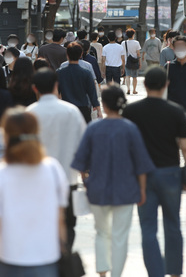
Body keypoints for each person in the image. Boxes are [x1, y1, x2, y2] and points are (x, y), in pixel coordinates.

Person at [71, 86, 155, 277]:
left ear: (104, 105)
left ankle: (102, 272)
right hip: (126, 189)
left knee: (101, 232)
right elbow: (141, 163)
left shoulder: (93, 128)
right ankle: (116, 274)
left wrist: (87, 181)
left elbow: (80, 161)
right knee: (120, 236)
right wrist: (142, 189)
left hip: (98, 189)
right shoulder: (130, 128)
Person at [122, 67, 186, 277]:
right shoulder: (175, 110)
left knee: (148, 228)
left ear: (144, 84)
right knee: (172, 224)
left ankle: (155, 273)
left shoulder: (131, 111)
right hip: (170, 173)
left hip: (142, 176)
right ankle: (174, 272)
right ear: (167, 84)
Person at [0, 109, 68, 277]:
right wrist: (63, 249)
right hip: (46, 259)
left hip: (8, 260)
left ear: (4, 136)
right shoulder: (53, 169)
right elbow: (60, 218)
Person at [27, 68, 87, 250]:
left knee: (41, 226)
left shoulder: (30, 114)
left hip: (37, 182)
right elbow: (83, 147)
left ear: (34, 88)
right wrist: (85, 176)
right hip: (67, 180)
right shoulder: (71, 111)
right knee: (68, 225)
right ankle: (64, 259)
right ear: (56, 85)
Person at [57, 42, 102, 123]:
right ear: (81, 54)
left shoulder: (60, 73)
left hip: (66, 108)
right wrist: (98, 108)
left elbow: (56, 92)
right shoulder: (86, 73)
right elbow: (92, 92)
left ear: (67, 54)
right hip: (83, 108)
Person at [121, 29, 142, 95]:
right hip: (135, 61)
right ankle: (134, 90)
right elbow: (138, 54)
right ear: (133, 35)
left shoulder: (123, 43)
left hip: (127, 61)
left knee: (127, 76)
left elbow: (122, 53)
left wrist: (123, 63)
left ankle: (128, 89)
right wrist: (140, 62)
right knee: (134, 77)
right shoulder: (136, 43)